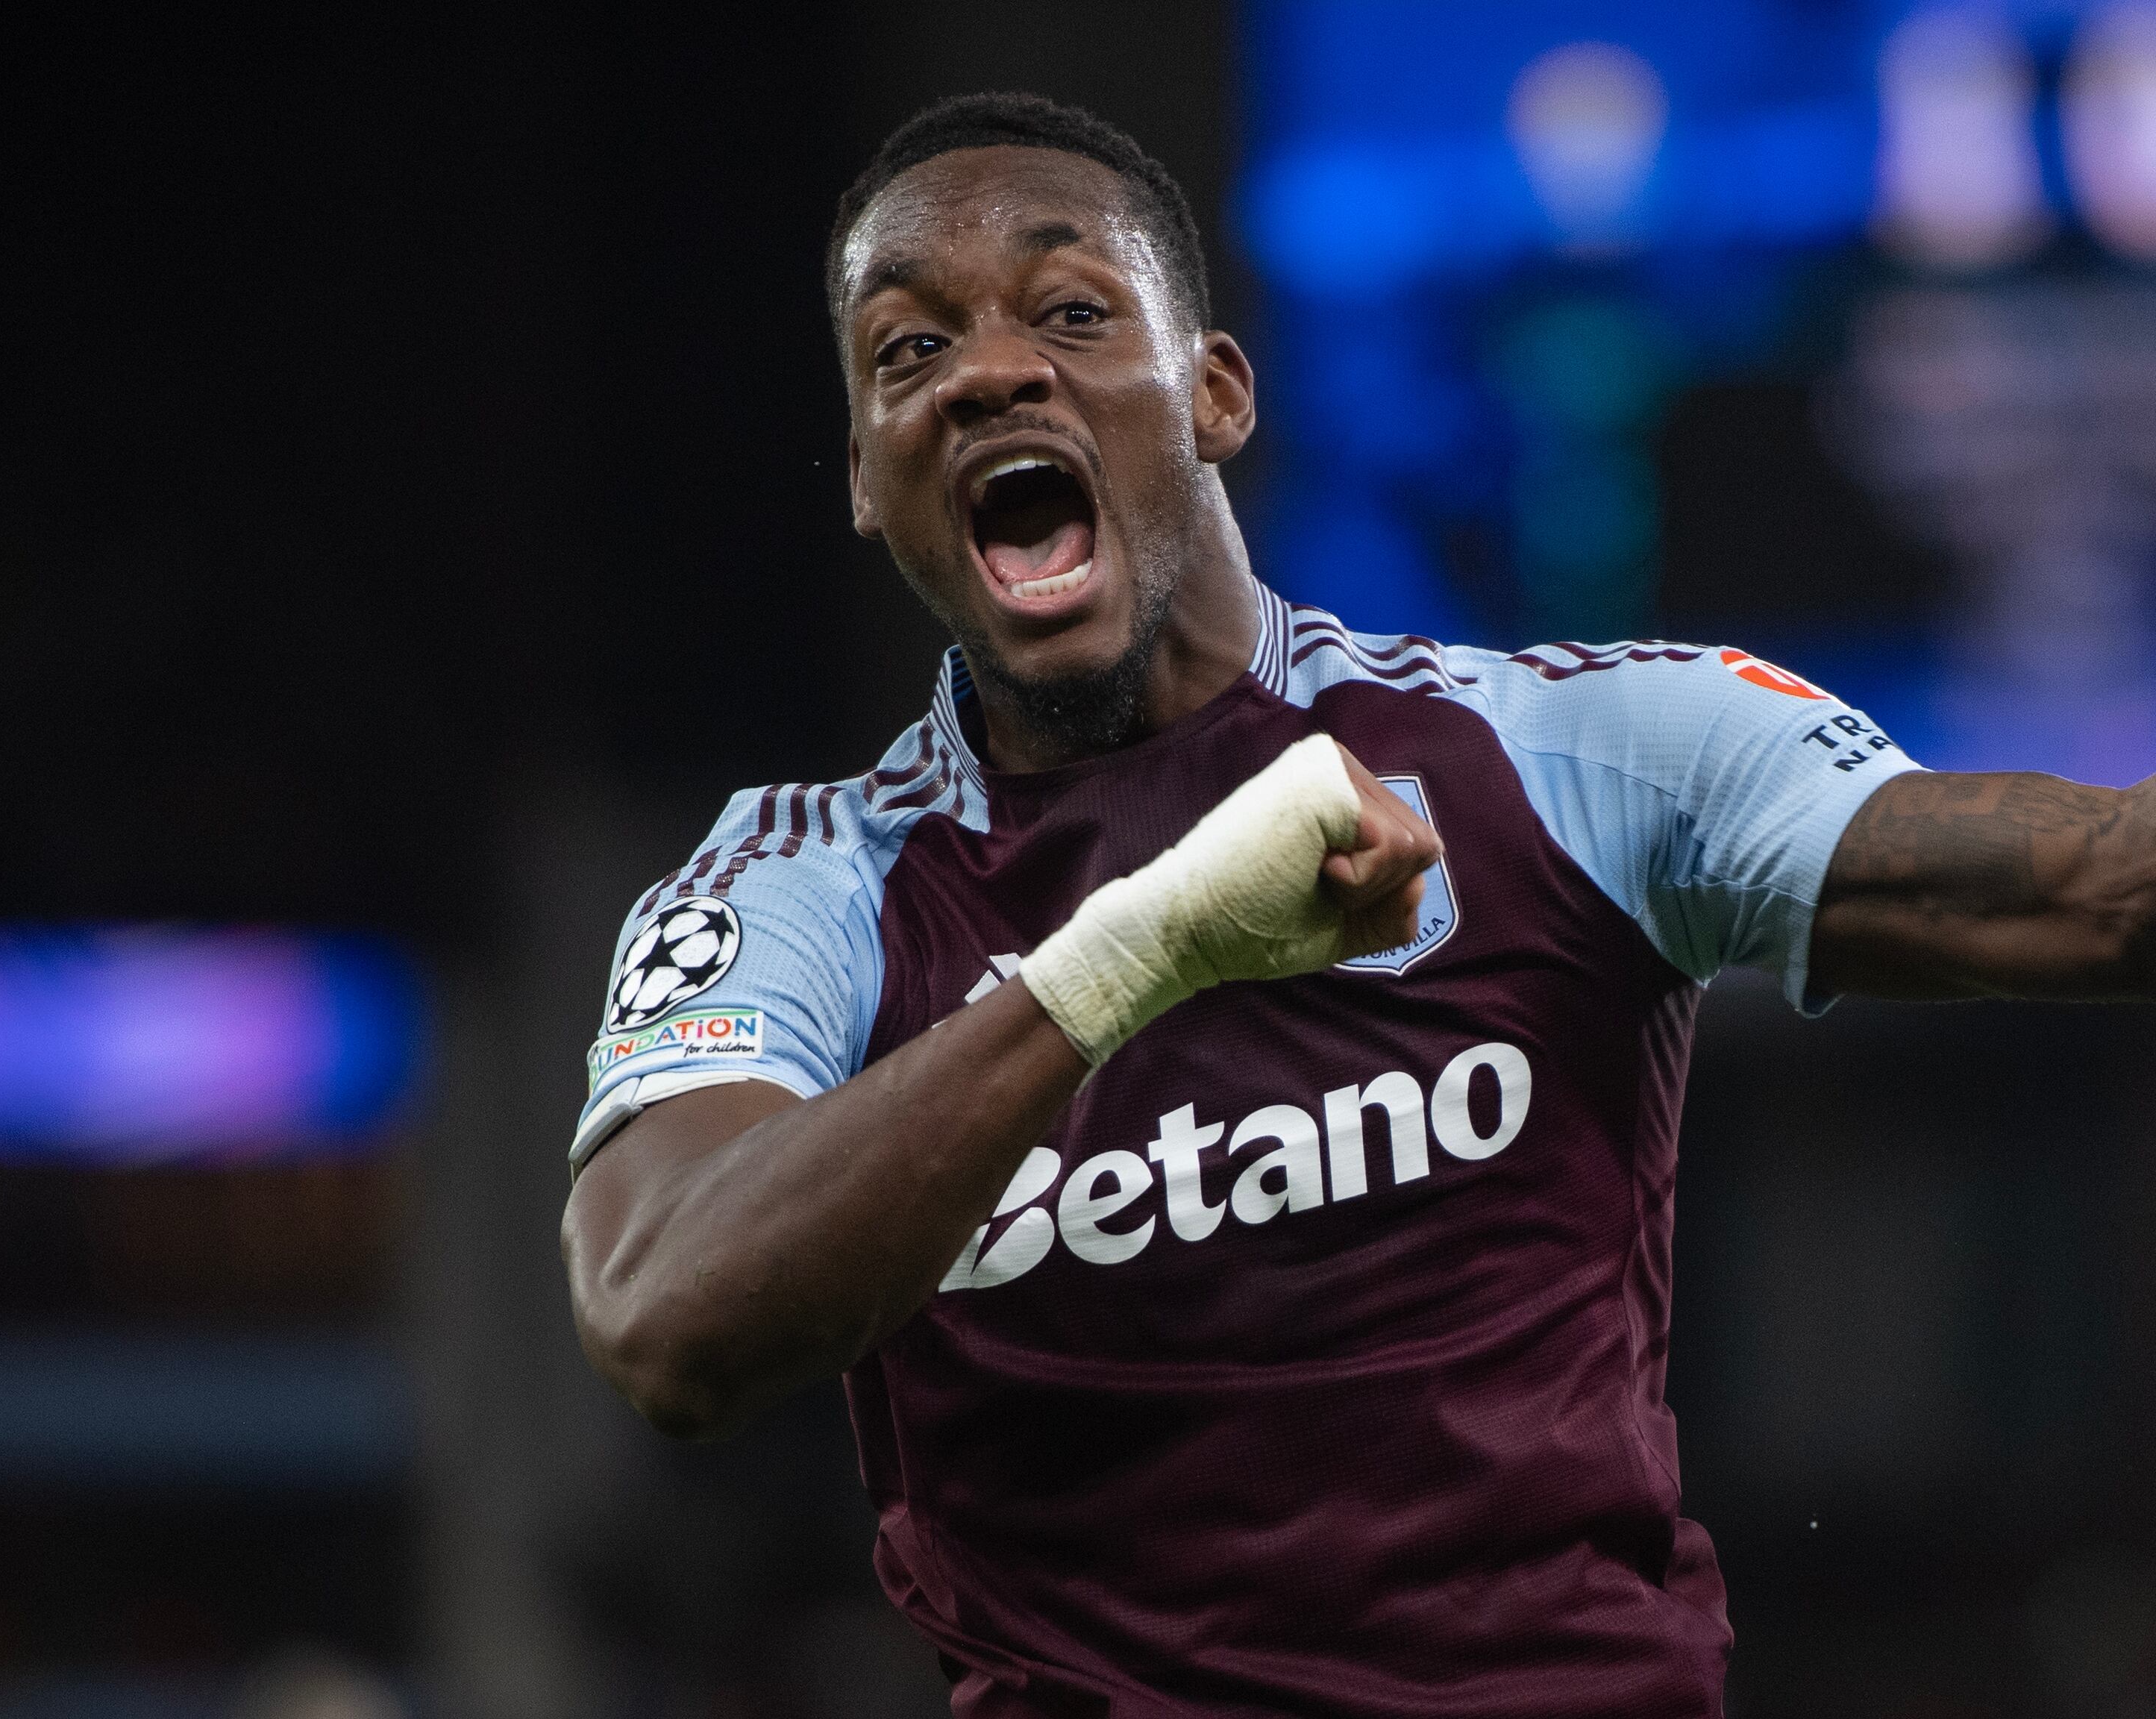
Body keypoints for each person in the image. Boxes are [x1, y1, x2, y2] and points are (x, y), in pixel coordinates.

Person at [560, 92, 2155, 1718]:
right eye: (906, 354)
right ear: (862, 479)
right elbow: (668, 1317)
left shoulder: (1571, 755)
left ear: (1215, 391)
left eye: (1070, 312)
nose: (984, 374)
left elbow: (2102, 894)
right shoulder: (803, 885)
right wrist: (1146, 950)